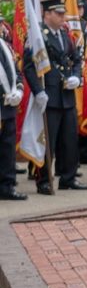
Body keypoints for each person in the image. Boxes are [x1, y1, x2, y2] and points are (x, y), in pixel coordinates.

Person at [22, 0, 87, 194]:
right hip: (49, 97)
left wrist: (76, 77)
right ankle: (43, 181)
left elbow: (76, 59)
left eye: (63, 14)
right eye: (58, 14)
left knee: (70, 140)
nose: (62, 18)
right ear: (47, 14)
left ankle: (68, 178)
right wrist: (38, 91)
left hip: (66, 96)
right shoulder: (37, 35)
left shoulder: (65, 35)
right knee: (47, 142)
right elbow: (29, 66)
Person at [0, 34, 26, 200]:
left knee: (7, 148)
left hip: (8, 105)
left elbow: (16, 70)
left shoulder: (5, 44)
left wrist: (19, 89)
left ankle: (7, 187)